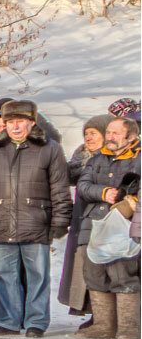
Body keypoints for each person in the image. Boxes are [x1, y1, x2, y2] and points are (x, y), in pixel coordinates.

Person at [0, 100, 70, 338]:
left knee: (38, 276)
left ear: (32, 123)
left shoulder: (50, 148)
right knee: (3, 275)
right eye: (11, 122)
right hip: (0, 221)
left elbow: (60, 189)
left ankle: (36, 321)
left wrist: (59, 221)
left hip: (36, 221)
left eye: (21, 121)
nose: (15, 127)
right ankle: (7, 321)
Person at [74, 116, 140, 339]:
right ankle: (104, 325)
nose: (109, 137)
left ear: (131, 137)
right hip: (94, 224)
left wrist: (128, 202)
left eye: (115, 133)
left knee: (123, 274)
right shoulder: (97, 158)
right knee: (94, 274)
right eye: (108, 132)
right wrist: (103, 192)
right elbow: (83, 185)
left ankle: (129, 328)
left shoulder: (139, 158)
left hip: (124, 226)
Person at [58, 115, 112, 325]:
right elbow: (66, 176)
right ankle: (91, 311)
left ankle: (103, 315)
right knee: (83, 268)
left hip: (103, 219)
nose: (88, 137)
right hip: (82, 218)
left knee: (100, 267)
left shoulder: (111, 159)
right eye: (86, 133)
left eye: (93, 133)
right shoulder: (82, 156)